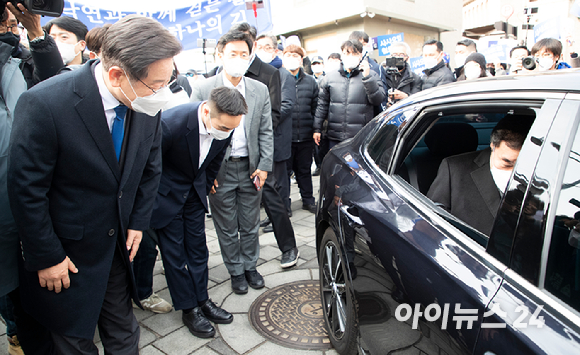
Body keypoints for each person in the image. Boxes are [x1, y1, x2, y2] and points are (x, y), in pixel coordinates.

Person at [7, 15, 181, 354]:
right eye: (156, 85)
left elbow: (149, 169)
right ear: (117, 75)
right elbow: (26, 188)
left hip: (116, 248)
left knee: (123, 333)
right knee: (71, 340)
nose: (163, 94)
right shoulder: (45, 103)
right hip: (65, 256)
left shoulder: (146, 100)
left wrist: (137, 222)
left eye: (167, 81)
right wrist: (47, 256)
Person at [151, 87, 245, 338]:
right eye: (224, 128)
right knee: (175, 255)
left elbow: (214, 161)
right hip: (166, 196)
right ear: (206, 111)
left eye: (231, 128)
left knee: (198, 249)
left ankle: (202, 300)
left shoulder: (226, 125)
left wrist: (204, 186)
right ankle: (188, 308)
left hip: (194, 192)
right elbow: (150, 166)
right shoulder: (171, 124)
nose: (227, 133)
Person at [190, 31, 274, 294]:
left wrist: (264, 165)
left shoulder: (258, 89)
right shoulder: (203, 88)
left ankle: (251, 266)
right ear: (220, 55)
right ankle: (235, 270)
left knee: (250, 223)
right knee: (226, 226)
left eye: (244, 55)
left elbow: (265, 130)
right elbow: (194, 134)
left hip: (250, 168)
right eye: (232, 54)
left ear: (251, 57)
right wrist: (205, 172)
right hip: (219, 171)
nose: (238, 59)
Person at [232, 23, 299, 269]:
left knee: (272, 197)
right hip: (232, 150)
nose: (242, 51)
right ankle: (241, 258)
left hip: (261, 148)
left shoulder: (269, 73)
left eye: (247, 45)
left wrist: (257, 144)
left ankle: (289, 247)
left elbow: (274, 113)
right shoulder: (224, 73)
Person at [427, 115, 533, 236]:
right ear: (493, 145)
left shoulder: (548, 175)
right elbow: (433, 219)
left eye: (524, 166)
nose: (515, 173)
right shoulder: (455, 169)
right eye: (507, 163)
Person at [313, 40, 385, 150]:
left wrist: (367, 78)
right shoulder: (330, 77)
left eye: (354, 53)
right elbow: (322, 105)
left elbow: (377, 100)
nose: (350, 56)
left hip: (360, 136)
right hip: (335, 136)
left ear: (361, 55)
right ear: (342, 55)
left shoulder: (372, 75)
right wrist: (317, 129)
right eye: (347, 53)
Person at [283, 44, 318, 216]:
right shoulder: (278, 79)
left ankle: (308, 200)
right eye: (288, 54)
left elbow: (316, 107)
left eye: (295, 55)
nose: (292, 58)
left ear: (301, 59)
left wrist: (315, 128)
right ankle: (285, 205)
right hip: (285, 137)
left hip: (305, 135)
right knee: (285, 173)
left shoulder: (311, 81)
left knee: (304, 170)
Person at [2, 2, 63, 88]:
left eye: (13, 25)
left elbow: (54, 83)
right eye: (1, 25)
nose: (8, 31)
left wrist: (36, 32)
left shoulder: (28, 61)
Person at [381, 41, 422, 107]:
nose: (397, 57)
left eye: (401, 55)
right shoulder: (382, 75)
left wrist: (405, 96)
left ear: (407, 58)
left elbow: (418, 100)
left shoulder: (415, 78)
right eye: (395, 55)